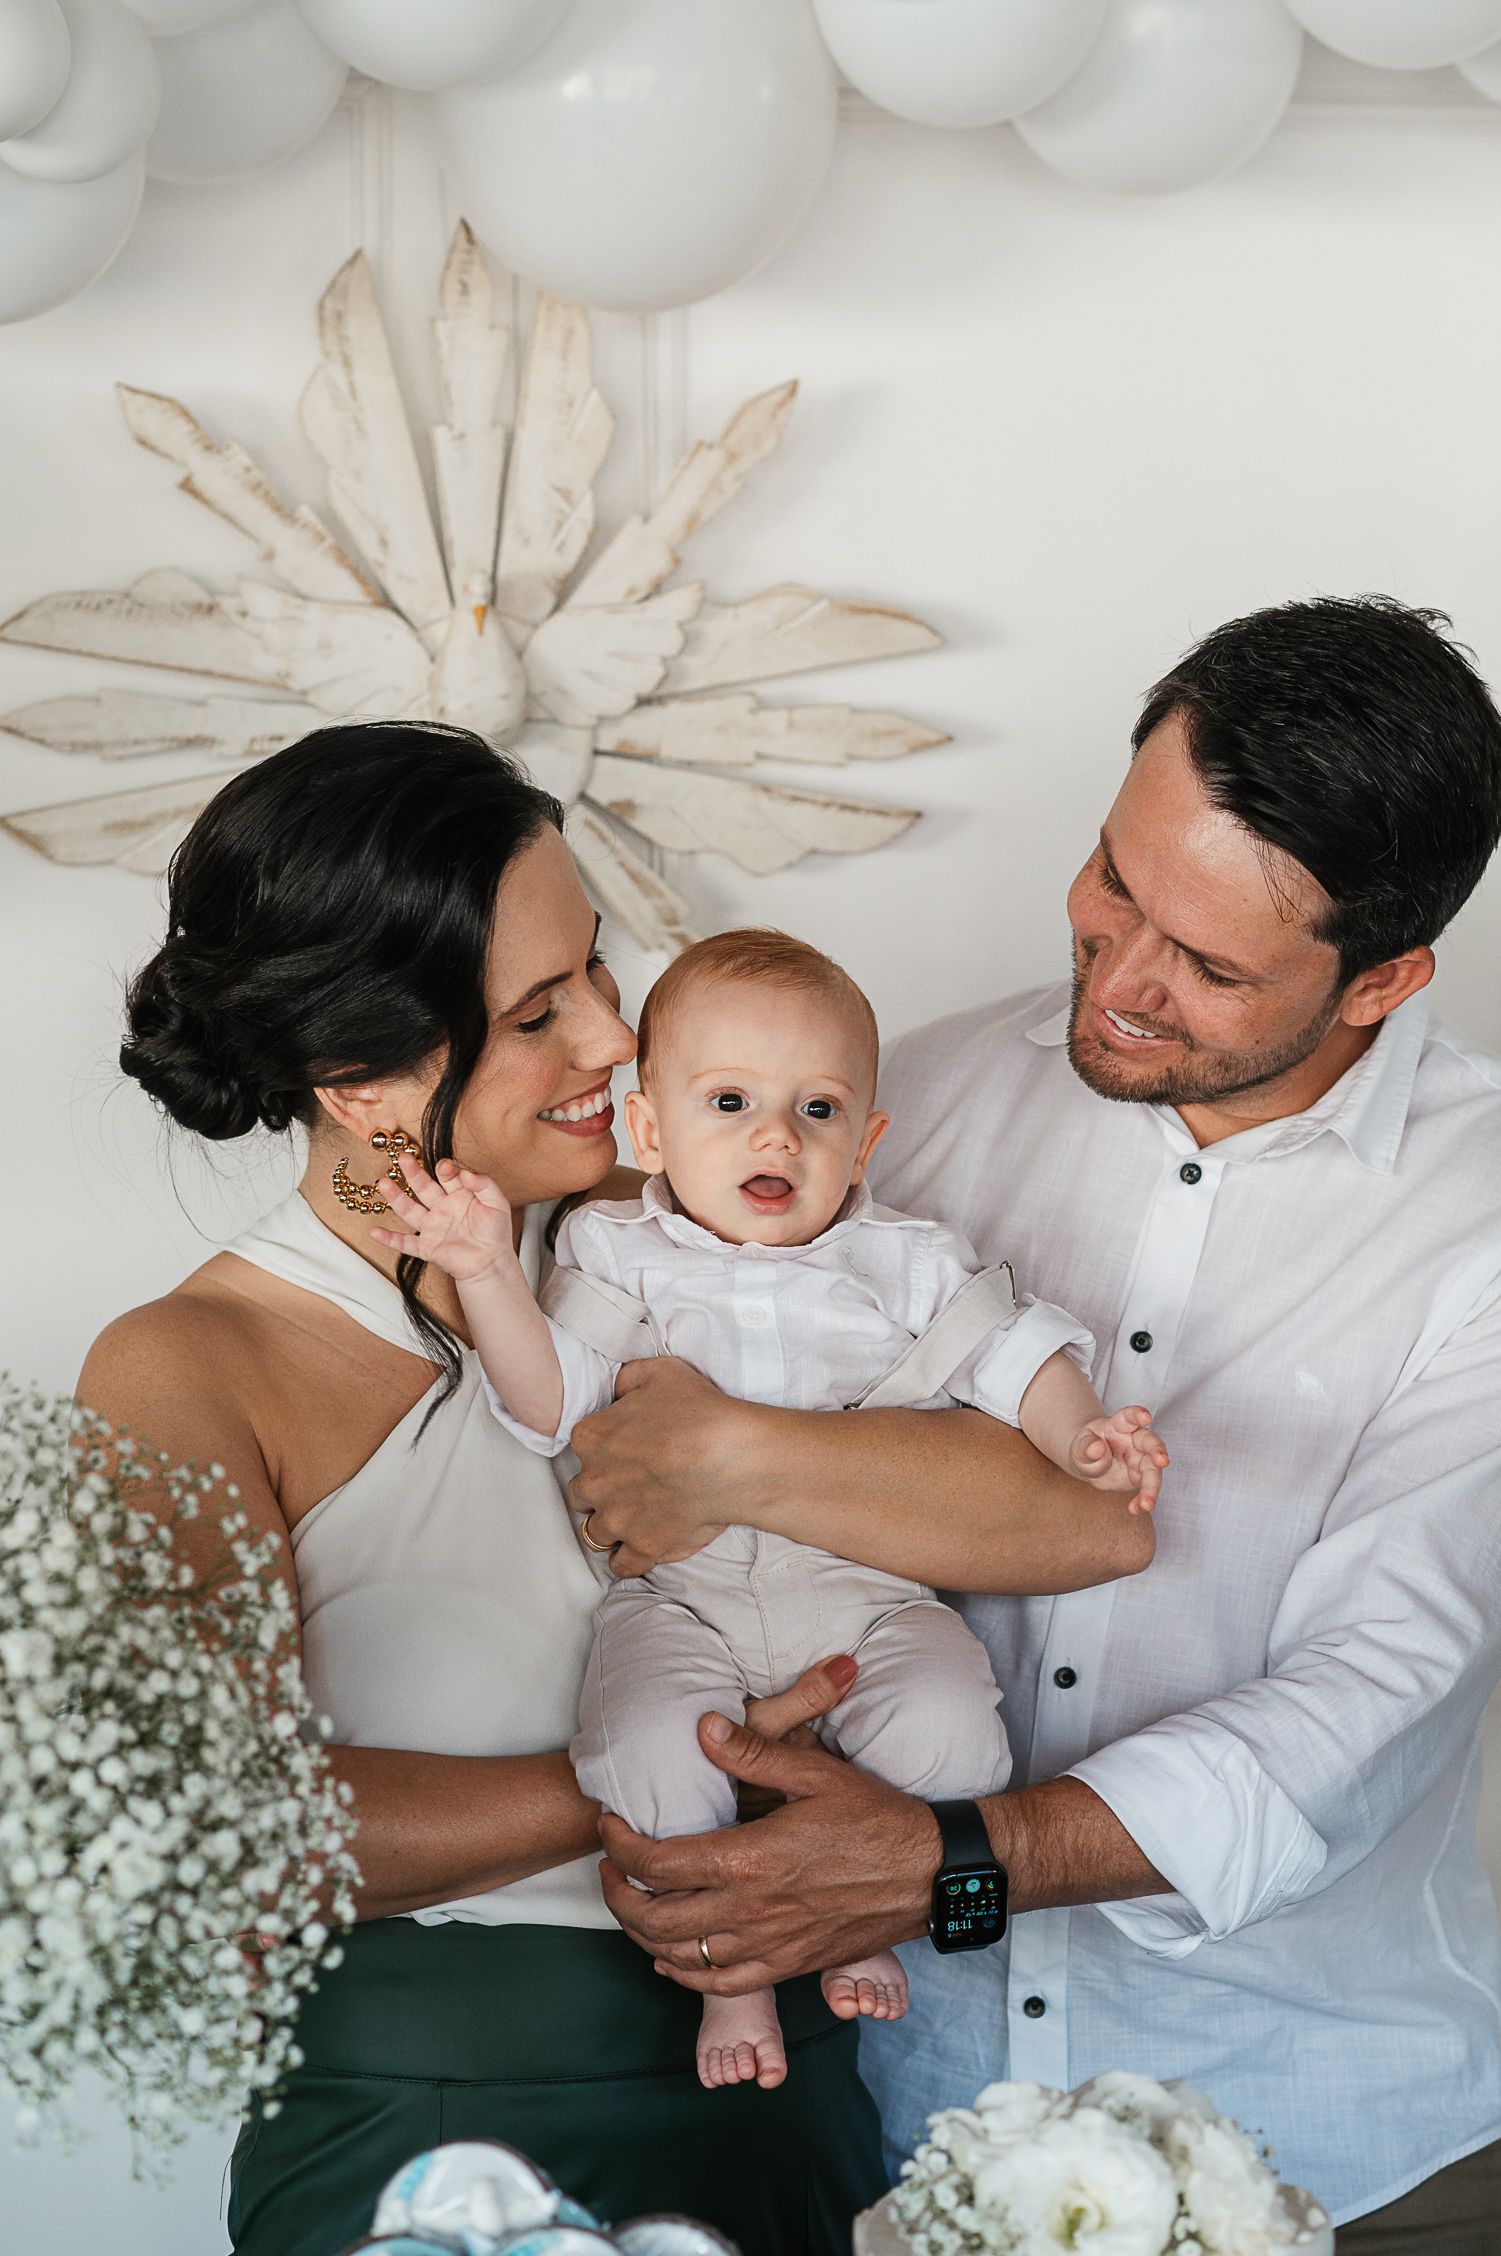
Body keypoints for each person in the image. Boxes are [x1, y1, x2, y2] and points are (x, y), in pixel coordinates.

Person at [568, 597, 1501, 2251]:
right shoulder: (893, 1113)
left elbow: (1366, 1702)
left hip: (1333, 2142)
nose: (1122, 978)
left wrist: (951, 1859)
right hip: (897, 2128)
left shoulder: (1481, 1221)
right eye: (1113, 882)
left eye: (1209, 965)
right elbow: (648, 1477)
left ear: (1385, 977)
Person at [82, 721, 933, 2256]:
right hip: (436, 2133)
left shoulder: (699, 1230)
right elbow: (226, 1832)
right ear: (359, 1080)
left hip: (800, 2089)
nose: (615, 1039)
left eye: (598, 969)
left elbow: (1067, 1517)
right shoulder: (190, 1367)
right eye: (540, 1011)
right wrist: (684, 1760)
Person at [369, 926, 1165, 2096]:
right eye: (730, 1102)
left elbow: (1014, 1355)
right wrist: (488, 1271)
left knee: (951, 1725)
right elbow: (547, 1406)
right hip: (681, 1598)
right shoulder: (616, 1250)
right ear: (649, 1133)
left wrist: (1085, 1435)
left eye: (818, 1109)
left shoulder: (906, 1259)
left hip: (870, 1594)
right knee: (648, 1744)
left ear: (866, 1144)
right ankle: (730, 1978)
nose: (776, 1137)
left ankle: (867, 1922)